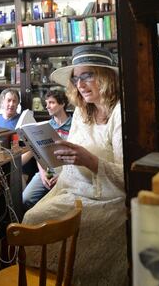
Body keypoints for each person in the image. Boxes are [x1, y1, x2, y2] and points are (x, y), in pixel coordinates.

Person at [21, 45, 127, 285]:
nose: (80, 84)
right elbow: (70, 153)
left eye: (87, 75)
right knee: (31, 215)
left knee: (35, 220)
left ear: (106, 77)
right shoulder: (81, 111)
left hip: (107, 197)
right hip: (72, 187)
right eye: (76, 79)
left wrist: (89, 160)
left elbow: (128, 179)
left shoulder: (121, 113)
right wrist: (49, 161)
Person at [21, 89, 72, 210]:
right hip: (47, 171)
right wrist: (43, 174)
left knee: (63, 204)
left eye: (51, 103)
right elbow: (40, 153)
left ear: (62, 104)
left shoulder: (75, 125)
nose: (47, 106)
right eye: (46, 103)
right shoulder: (45, 126)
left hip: (68, 172)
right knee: (26, 198)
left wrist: (63, 176)